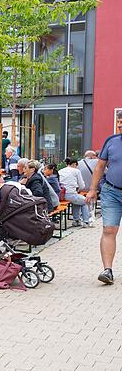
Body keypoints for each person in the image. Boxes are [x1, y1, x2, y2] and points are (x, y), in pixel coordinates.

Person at [87, 116, 122, 284]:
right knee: (109, 230)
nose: (120, 125)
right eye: (119, 122)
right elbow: (100, 166)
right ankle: (107, 271)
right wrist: (92, 190)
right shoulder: (111, 141)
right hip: (111, 191)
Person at [59, 158, 91, 228]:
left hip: (61, 195)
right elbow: (82, 185)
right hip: (70, 194)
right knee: (85, 201)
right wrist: (78, 189)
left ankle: (76, 221)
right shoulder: (76, 171)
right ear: (74, 164)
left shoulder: (60, 171)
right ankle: (86, 222)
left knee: (78, 200)